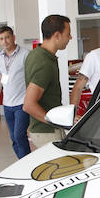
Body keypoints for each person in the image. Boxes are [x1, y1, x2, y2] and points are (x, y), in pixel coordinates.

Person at [23, 15, 73, 150]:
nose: (70, 38)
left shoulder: (39, 54)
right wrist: (54, 120)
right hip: (47, 132)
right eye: (68, 34)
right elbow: (28, 104)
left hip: (46, 129)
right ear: (57, 35)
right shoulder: (43, 62)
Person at [0, 25, 31, 158]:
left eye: (7, 37)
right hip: (7, 105)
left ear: (13, 37)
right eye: (1, 39)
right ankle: (22, 163)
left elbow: (32, 80)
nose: (5, 41)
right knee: (14, 139)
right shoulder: (0, 57)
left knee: (19, 136)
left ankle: (26, 165)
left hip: (22, 104)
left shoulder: (25, 54)